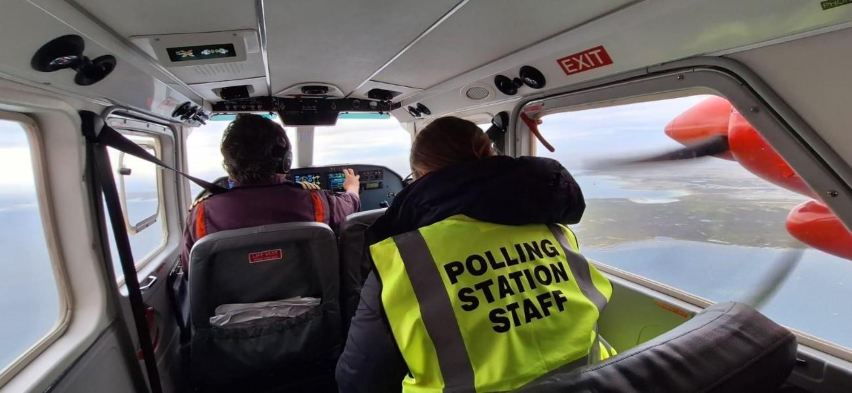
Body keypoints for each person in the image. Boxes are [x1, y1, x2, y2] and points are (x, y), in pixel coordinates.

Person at [336, 117, 613, 393]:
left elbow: (360, 378)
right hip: (592, 383)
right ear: (492, 156)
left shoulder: (402, 260)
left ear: (420, 175)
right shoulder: (556, 232)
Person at [181, 114, 361, 271]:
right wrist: (352, 188)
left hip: (227, 310)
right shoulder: (316, 202)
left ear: (230, 163)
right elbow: (350, 207)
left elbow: (193, 271)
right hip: (312, 306)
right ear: (286, 160)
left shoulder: (201, 214)